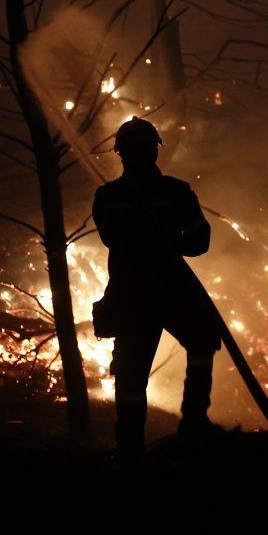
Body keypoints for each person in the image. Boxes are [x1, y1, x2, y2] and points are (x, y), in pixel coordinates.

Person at [92, 116, 226, 467]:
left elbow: (113, 238)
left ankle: (130, 449)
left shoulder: (107, 197)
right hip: (168, 289)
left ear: (120, 154)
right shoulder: (176, 192)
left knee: (133, 374)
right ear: (155, 151)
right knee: (201, 341)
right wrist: (172, 239)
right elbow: (199, 241)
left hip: (132, 294)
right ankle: (193, 423)